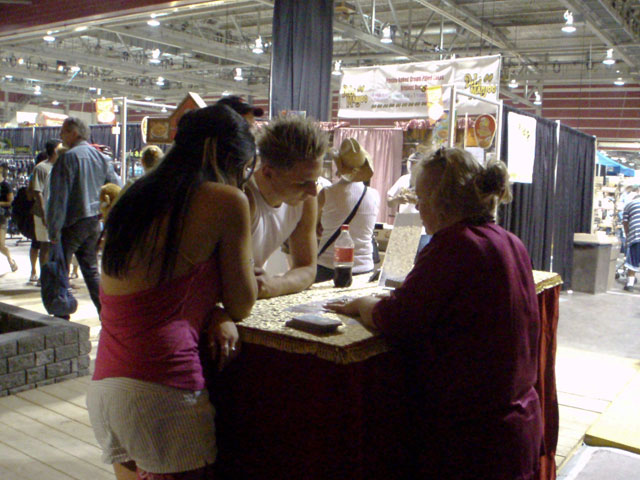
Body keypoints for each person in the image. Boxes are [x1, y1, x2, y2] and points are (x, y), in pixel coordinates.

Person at [326, 147, 543, 479]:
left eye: (422, 199)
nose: (418, 207)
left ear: (443, 201)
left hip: (473, 439)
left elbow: (398, 318)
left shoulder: (456, 245)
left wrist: (363, 305)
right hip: (517, 423)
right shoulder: (510, 241)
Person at [87, 104, 258, 480]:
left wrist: (210, 308)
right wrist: (222, 309)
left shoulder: (136, 197)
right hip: (164, 389)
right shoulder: (226, 200)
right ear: (221, 155)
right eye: (244, 169)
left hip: (107, 385)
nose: (243, 180)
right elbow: (243, 302)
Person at [245, 115, 328, 298]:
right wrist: (272, 285)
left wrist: (275, 285)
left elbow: (307, 268)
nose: (313, 192)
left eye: (315, 180)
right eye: (302, 182)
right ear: (268, 172)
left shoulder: (305, 199)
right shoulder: (244, 199)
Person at [46, 117, 122, 313]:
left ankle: (61, 314)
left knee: (59, 270)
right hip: (94, 222)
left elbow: (58, 198)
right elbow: (117, 189)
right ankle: (106, 314)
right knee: (91, 271)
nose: (61, 135)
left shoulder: (67, 158)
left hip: (72, 223)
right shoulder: (101, 158)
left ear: (74, 133)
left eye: (63, 131)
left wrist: (53, 230)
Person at [315, 138, 379, 282]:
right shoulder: (375, 195)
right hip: (364, 267)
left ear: (339, 165)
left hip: (329, 266)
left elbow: (314, 228)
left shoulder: (326, 193)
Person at [30, 139, 62, 282]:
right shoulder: (41, 168)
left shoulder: (62, 167)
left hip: (58, 212)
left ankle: (58, 278)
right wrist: (44, 214)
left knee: (58, 246)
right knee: (45, 245)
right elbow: (38, 193)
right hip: (43, 213)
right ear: (55, 150)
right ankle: (44, 278)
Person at [0, 162, 18, 273]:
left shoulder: (5, 185)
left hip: (1, 217)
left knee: (0, 244)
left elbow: (10, 202)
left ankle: (10, 260)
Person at [622, 185, 640, 292]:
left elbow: (625, 222)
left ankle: (630, 284)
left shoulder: (629, 205)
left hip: (636, 235)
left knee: (633, 260)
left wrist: (628, 236)